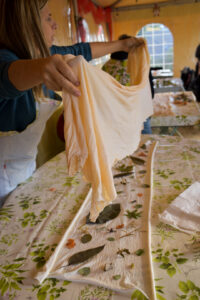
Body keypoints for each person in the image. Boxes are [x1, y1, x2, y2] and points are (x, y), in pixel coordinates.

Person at [0, 0, 143, 205]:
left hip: (27, 172)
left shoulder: (44, 54)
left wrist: (122, 45)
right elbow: (6, 77)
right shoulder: (7, 60)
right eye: (48, 18)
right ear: (27, 25)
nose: (55, 24)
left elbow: (82, 50)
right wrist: (40, 69)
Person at [102, 34, 154, 134]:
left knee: (123, 143)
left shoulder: (107, 66)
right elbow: (150, 90)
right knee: (145, 142)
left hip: (116, 113)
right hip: (139, 110)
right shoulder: (140, 63)